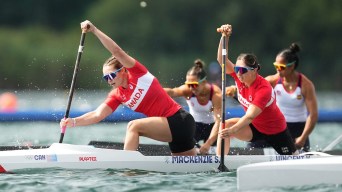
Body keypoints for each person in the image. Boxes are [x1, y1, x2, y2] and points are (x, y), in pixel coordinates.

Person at [60, 20, 197, 156]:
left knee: (133, 126)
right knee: (186, 172)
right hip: (169, 129)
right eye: (106, 78)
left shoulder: (138, 73)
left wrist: (94, 30)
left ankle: (127, 171)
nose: (109, 80)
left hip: (180, 120)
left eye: (112, 75)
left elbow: (117, 51)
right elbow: (97, 115)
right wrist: (73, 122)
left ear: (123, 70)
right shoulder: (117, 95)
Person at [216, 24, 298, 155]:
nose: (238, 73)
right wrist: (224, 37)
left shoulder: (263, 88)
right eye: (236, 69)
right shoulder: (239, 77)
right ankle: (219, 164)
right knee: (225, 125)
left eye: (242, 70)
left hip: (276, 131)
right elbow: (222, 60)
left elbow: (249, 116)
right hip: (255, 128)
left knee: (293, 159)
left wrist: (233, 131)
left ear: (254, 70)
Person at [226, 43, 318, 152]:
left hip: (298, 130)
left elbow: (313, 115)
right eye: (276, 66)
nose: (278, 70)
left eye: (281, 67)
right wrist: (235, 91)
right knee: (251, 149)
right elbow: (255, 97)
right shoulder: (272, 81)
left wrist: (303, 137)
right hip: (272, 126)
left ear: (292, 66)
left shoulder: (306, 85)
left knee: (296, 157)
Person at [164, 59, 222, 154]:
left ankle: (211, 149)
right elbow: (171, 92)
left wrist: (207, 144)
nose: (191, 88)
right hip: (195, 126)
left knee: (220, 134)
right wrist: (151, 90)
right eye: (188, 84)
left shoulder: (216, 94)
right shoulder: (187, 90)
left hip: (212, 128)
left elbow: (218, 122)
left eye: (194, 85)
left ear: (204, 82)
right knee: (181, 138)